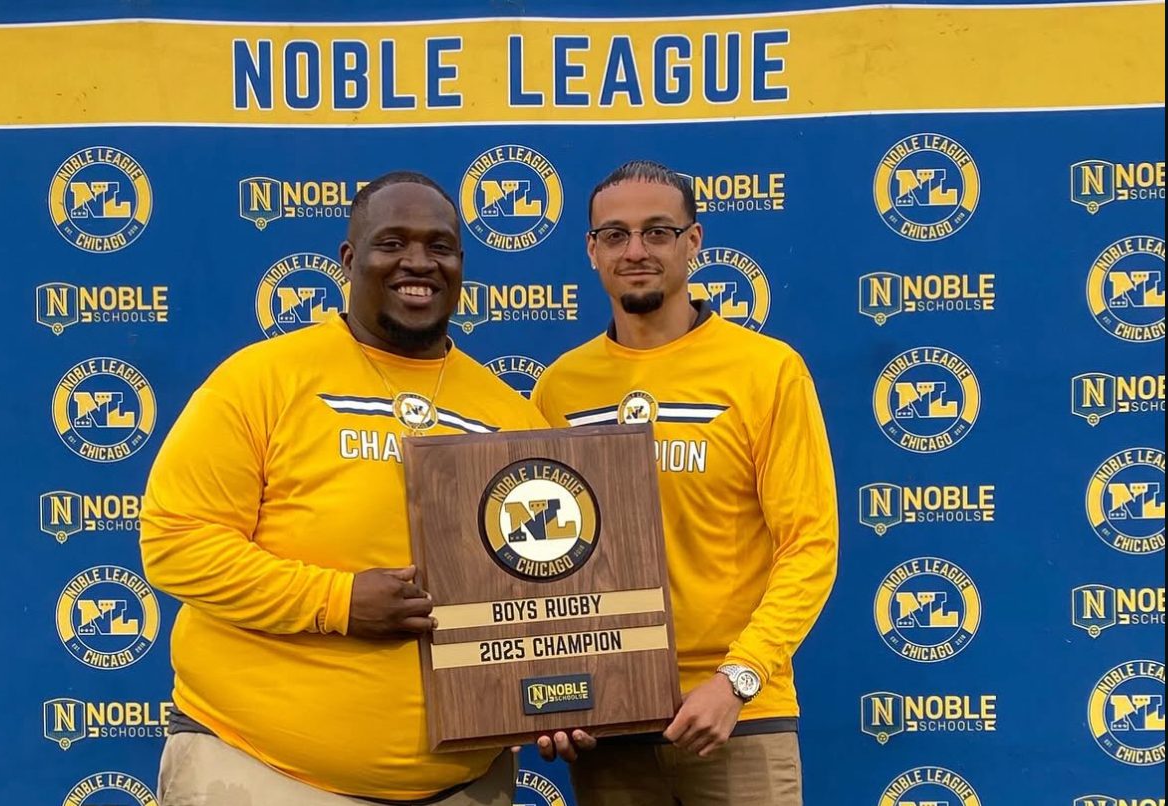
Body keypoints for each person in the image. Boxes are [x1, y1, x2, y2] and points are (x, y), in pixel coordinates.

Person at [139, 171, 548, 805]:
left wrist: (562, 689)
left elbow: (546, 587)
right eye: (392, 243)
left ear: (461, 264)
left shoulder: (509, 414)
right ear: (350, 260)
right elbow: (176, 544)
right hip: (261, 773)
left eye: (439, 245)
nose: (418, 261)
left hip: (464, 785)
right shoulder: (259, 380)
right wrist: (338, 600)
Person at [529, 160, 838, 805]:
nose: (635, 251)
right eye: (615, 235)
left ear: (692, 243)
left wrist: (739, 679)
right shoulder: (561, 387)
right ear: (592, 251)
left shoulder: (766, 370)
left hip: (736, 718)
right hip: (609, 717)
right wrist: (551, 687)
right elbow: (540, 562)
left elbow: (808, 545)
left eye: (657, 232)